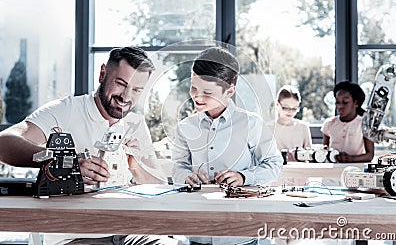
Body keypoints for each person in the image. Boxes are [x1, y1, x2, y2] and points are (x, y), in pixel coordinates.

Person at [0, 47, 174, 245]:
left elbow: (160, 188)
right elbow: (4, 143)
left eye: (136, 90)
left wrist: (136, 165)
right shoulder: (65, 110)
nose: (126, 96)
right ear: (102, 74)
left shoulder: (135, 123)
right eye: (120, 84)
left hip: (129, 232)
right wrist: (67, 163)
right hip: (75, 235)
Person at [172, 46, 283, 245]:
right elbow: (178, 168)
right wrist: (187, 177)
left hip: (241, 232)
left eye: (207, 92)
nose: (197, 97)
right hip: (198, 231)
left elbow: (274, 164)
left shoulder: (251, 123)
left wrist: (243, 177)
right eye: (194, 87)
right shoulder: (185, 127)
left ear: (229, 91)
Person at [321, 81, 374, 163]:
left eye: (345, 102)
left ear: (356, 103)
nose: (340, 106)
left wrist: (351, 159)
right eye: (337, 102)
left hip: (354, 171)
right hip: (330, 171)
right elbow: (325, 148)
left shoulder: (364, 124)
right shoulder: (329, 123)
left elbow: (370, 155)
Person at [267, 85, 312, 162]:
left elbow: (310, 157)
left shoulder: (303, 127)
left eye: (294, 108)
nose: (290, 111)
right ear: (277, 105)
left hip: (300, 171)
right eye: (286, 107)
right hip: (276, 171)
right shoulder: (268, 128)